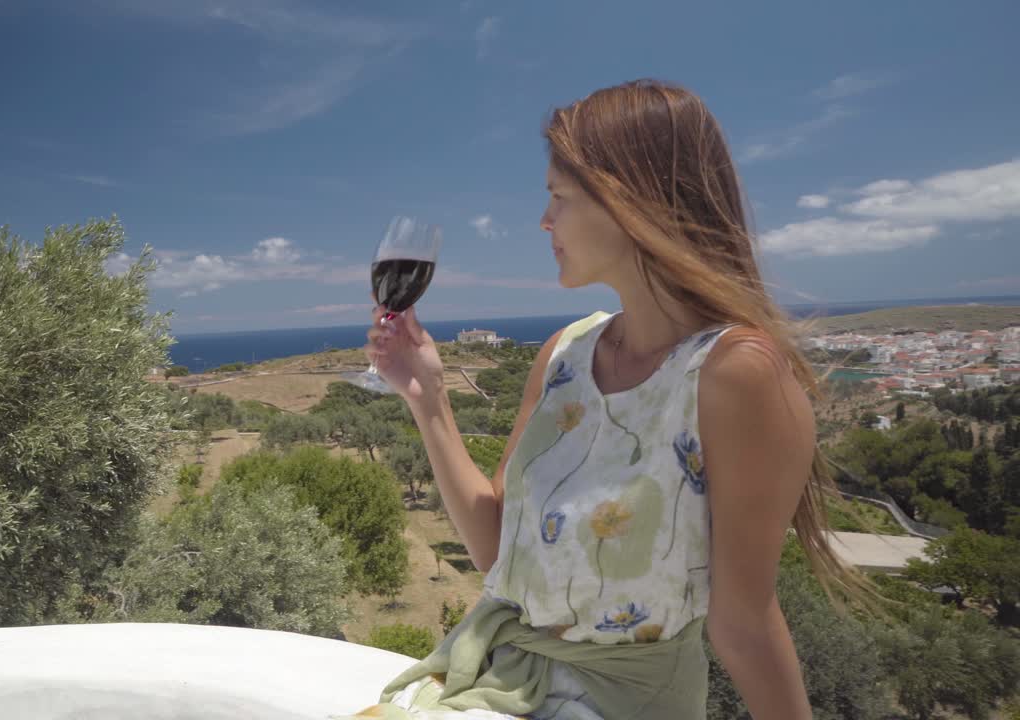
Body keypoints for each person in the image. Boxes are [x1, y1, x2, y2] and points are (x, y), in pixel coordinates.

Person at [334, 80, 872, 720]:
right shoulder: (566, 352)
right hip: (497, 686)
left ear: (631, 204)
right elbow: (495, 551)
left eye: (558, 197)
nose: (544, 220)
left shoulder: (736, 374)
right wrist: (427, 398)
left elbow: (745, 625)